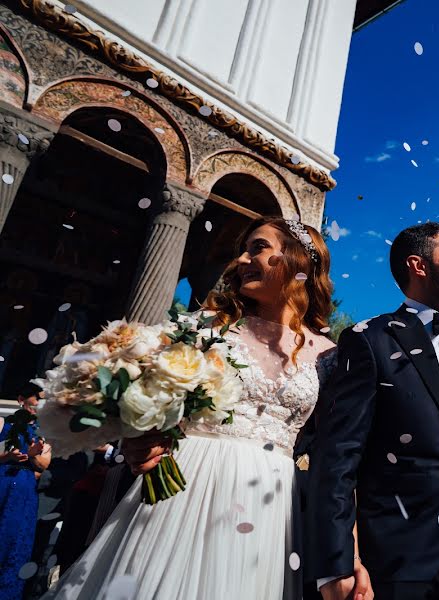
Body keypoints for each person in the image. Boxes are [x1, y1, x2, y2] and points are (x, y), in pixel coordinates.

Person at [45, 217, 346, 600]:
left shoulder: (330, 355)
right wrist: (138, 437)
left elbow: (334, 453)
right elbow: (149, 396)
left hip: (271, 502)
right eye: (244, 249)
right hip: (185, 486)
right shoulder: (205, 328)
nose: (241, 259)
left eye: (257, 248)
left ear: (299, 259)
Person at [308, 222, 439, 600]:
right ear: (418, 265)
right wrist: (335, 561)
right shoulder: (369, 340)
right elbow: (338, 455)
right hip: (392, 556)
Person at [1, 383, 50, 600]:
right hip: (2, 480)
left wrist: (31, 454)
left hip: (23, 491)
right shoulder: (3, 422)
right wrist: (8, 457)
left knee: (14, 540)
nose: (40, 404)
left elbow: (44, 464)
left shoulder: (45, 430)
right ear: (22, 399)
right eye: (37, 398)